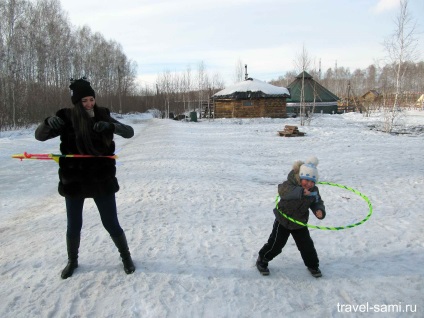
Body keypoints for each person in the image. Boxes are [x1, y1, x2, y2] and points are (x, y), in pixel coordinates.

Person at [35, 77, 135, 279]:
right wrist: (46, 123)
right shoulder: (66, 118)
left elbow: (130, 132)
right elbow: (40, 136)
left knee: (111, 222)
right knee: (73, 225)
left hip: (101, 179)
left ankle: (126, 257)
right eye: (84, 101)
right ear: (76, 102)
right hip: (74, 181)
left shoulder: (103, 115)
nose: (89, 104)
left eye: (91, 99)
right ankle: (72, 261)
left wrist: (111, 127)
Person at [256, 157, 326, 277]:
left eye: (312, 182)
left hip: (300, 222)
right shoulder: (289, 184)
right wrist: (300, 192)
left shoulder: (313, 191)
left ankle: (313, 265)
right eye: (306, 181)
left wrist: (319, 210)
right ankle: (263, 259)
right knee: (276, 245)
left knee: (307, 246)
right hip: (283, 221)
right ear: (300, 178)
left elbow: (317, 202)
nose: (309, 184)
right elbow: (283, 191)